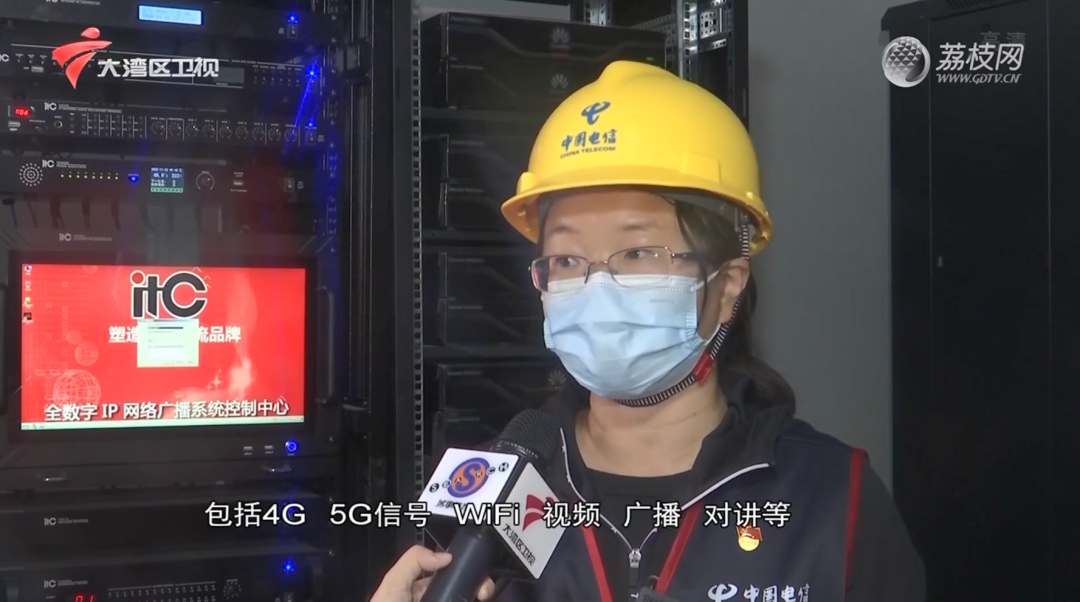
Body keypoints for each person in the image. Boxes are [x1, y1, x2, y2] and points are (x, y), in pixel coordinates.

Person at [371, 60, 924, 602]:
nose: (596, 285)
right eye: (566, 259)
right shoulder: (481, 494)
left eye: (637, 252)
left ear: (727, 283)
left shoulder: (832, 496)